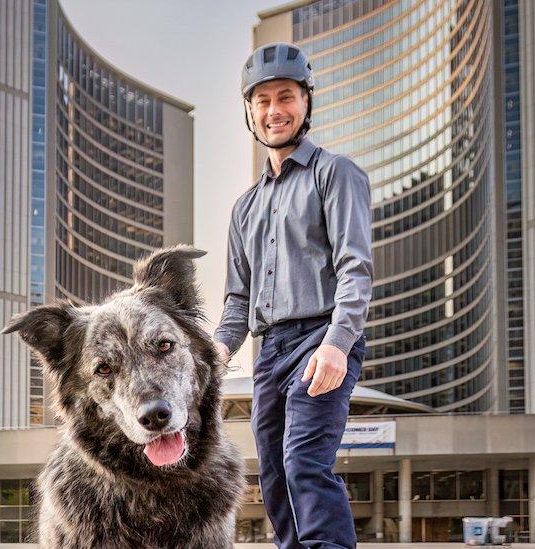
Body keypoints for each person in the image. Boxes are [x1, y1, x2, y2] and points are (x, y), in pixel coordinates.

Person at [213, 42, 373, 549]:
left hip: (322, 339)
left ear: (306, 103)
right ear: (249, 111)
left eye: (285, 96)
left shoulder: (336, 174)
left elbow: (355, 268)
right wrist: (214, 353)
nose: (274, 110)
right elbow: (238, 301)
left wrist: (337, 344)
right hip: (270, 352)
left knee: (305, 462)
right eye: (262, 100)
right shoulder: (244, 208)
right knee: (275, 479)